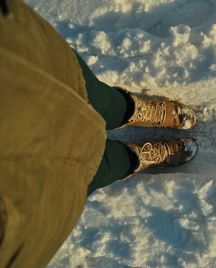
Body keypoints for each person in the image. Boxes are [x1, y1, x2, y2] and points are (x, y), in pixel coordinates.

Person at [0, 0, 198, 267]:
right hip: (24, 194)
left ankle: (131, 110)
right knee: (88, 172)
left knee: (88, 96)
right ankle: (137, 156)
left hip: (19, 71)